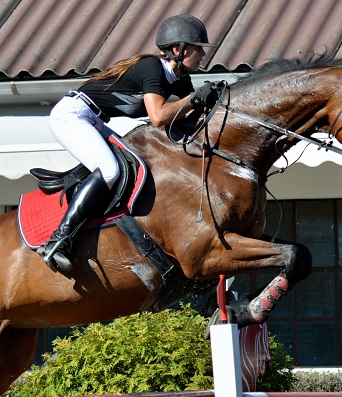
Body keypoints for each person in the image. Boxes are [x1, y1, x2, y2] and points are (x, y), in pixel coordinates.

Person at [39, 14, 221, 271]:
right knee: (110, 170)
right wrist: (193, 99)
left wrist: (212, 102)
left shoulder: (180, 78)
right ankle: (59, 240)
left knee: (131, 164)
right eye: (197, 47)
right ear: (178, 49)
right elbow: (158, 117)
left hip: (95, 121)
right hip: (72, 115)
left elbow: (187, 115)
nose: (203, 53)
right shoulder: (152, 68)